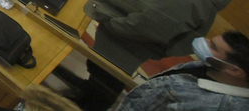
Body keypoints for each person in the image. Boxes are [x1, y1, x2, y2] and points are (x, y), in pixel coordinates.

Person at [78, 0, 240, 111]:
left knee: (105, 78)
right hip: (121, 24)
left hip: (125, 43)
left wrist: (107, 19)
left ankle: (87, 105)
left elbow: (142, 28)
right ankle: (87, 93)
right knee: (98, 70)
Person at [104, 32, 249, 111]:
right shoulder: (206, 66)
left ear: (234, 70)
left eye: (213, 47)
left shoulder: (216, 106)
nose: (204, 42)